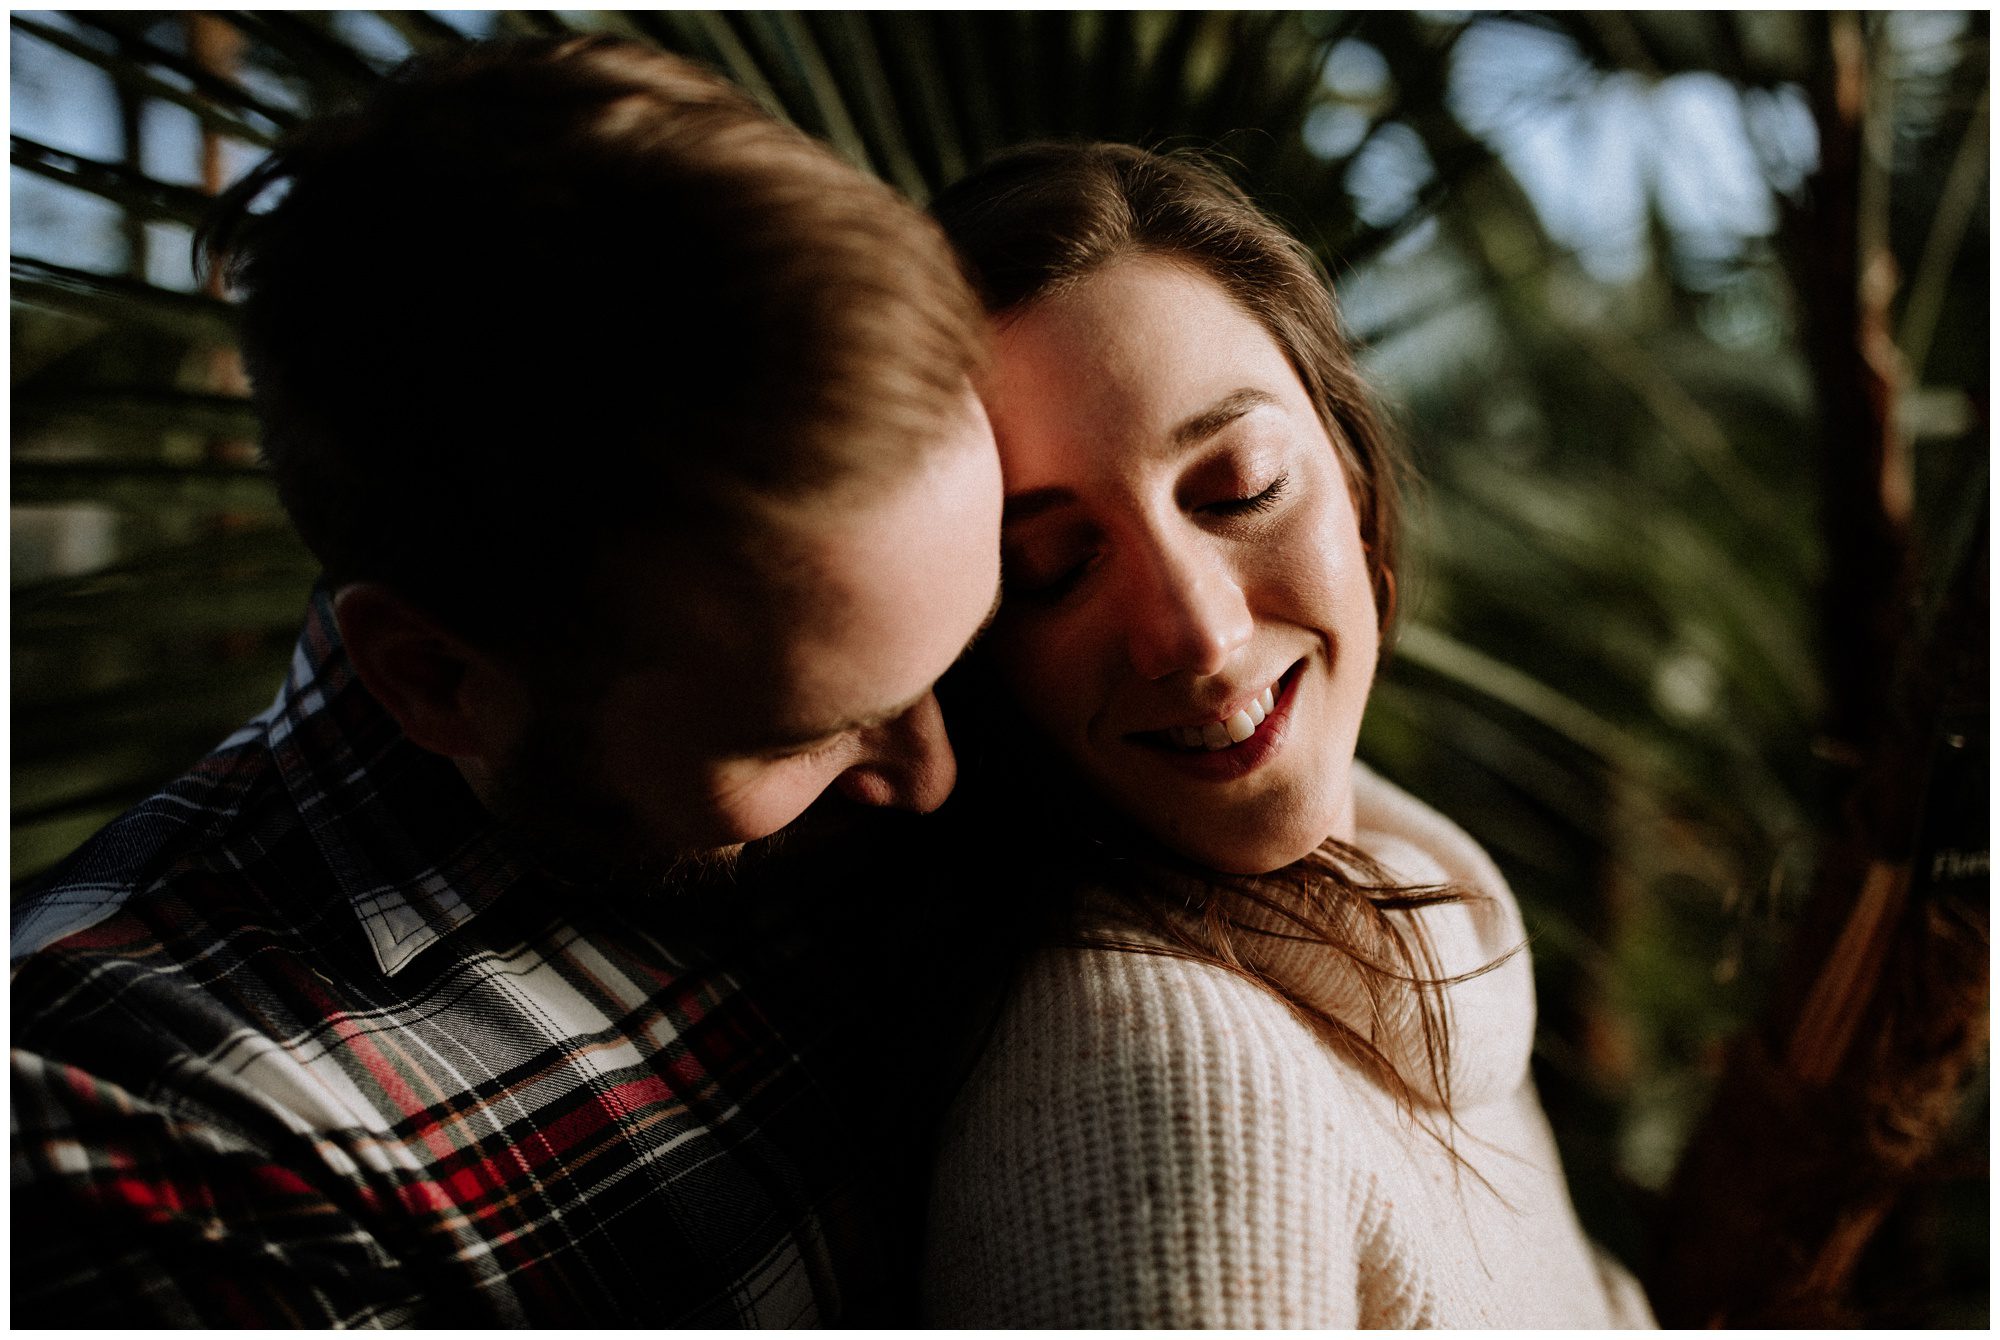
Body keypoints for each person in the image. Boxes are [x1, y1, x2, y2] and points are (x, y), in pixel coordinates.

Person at [10, 38, 1001, 1326]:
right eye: (806, 732)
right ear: (436, 679)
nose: (937, 775)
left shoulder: (830, 787)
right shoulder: (155, 1128)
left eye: (973, 637)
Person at [917, 143, 1659, 1327]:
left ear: (1352, 472)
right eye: (1049, 568)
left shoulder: (1419, 899)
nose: (1195, 635)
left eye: (1239, 486)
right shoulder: (1154, 1077)